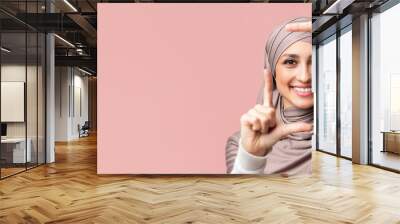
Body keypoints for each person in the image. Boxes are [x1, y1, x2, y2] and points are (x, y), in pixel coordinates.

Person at [225, 17, 313, 175]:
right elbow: (241, 196)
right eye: (291, 62)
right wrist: (250, 157)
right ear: (272, 69)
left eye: (315, 60)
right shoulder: (242, 143)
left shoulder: (350, 138)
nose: (305, 76)